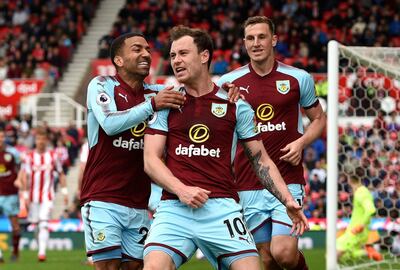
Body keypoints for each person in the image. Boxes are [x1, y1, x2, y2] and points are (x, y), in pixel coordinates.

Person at [143, 25, 308, 270]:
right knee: (155, 267)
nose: (176, 60)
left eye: (183, 53)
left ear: (204, 56)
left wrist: (287, 200)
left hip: (222, 208)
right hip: (174, 208)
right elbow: (150, 160)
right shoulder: (166, 102)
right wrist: (182, 190)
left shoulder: (235, 105)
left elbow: (261, 160)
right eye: (173, 55)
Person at [80, 32, 239, 270]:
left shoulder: (156, 92)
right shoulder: (102, 85)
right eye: (136, 49)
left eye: (147, 49)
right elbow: (110, 124)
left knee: (136, 267)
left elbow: (197, 90)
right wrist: (152, 104)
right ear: (119, 60)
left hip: (138, 202)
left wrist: (226, 90)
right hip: (103, 197)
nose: (146, 54)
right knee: (109, 266)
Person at [218, 16, 327, 270]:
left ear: (274, 40)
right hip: (247, 182)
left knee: (285, 253)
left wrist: (301, 143)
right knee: (266, 258)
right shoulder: (228, 83)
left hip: (287, 178)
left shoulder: (298, 78)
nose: (256, 43)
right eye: (250, 38)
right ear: (244, 43)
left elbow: (320, 119)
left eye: (262, 37)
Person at [20, 127, 68, 262]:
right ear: (35, 141)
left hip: (48, 195)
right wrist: (24, 195)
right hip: (33, 197)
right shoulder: (29, 156)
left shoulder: (53, 156)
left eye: (42, 139)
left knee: (44, 223)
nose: (40, 141)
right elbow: (24, 176)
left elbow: (61, 173)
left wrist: (64, 192)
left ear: (46, 141)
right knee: (35, 224)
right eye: (38, 139)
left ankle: (42, 253)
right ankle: (40, 245)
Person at [337, 167, 382, 262]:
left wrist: (361, 225)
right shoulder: (360, 191)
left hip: (357, 230)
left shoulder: (361, 192)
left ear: (350, 179)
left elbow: (370, 209)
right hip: (355, 229)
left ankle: (369, 251)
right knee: (349, 254)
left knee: (332, 254)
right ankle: (369, 251)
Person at [0, 127, 21, 262]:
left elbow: (20, 169)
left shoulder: (13, 152)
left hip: (11, 193)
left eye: (2, 137)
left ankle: (15, 252)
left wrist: (19, 179)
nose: (0, 139)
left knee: (15, 225)